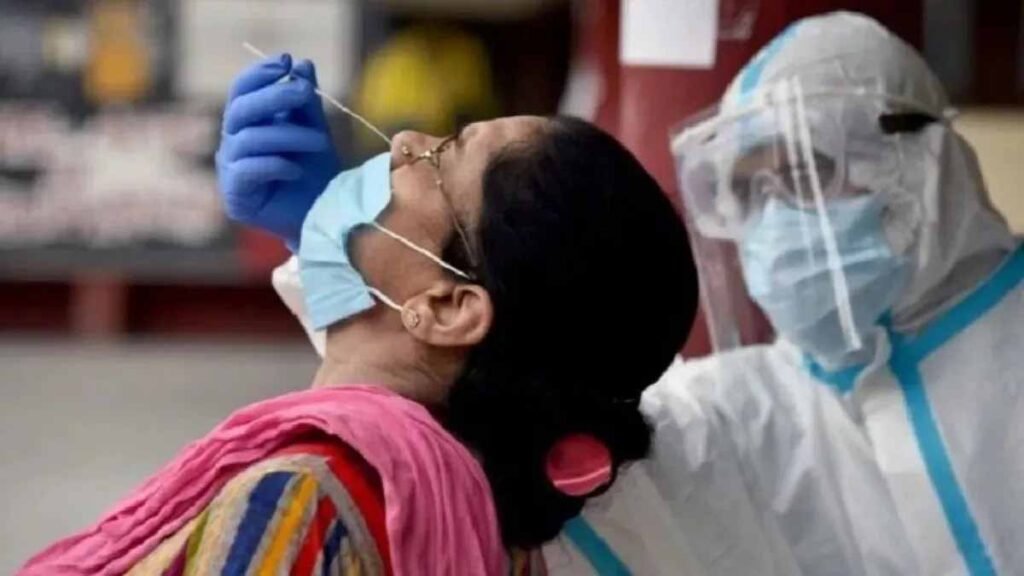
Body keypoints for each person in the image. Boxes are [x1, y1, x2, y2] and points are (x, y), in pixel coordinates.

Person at [19, 53, 697, 575]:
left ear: (447, 307)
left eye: (440, 156)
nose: (402, 141)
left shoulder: (298, 501)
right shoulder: (492, 516)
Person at [570, 11, 1022, 576]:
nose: (775, 217)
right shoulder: (763, 404)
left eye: (807, 174)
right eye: (749, 189)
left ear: (913, 164)